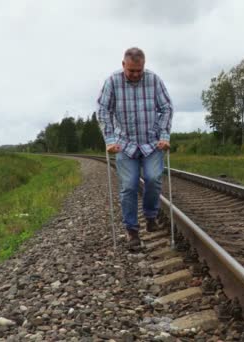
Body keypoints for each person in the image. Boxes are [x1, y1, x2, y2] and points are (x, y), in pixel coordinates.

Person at [97, 47, 173, 250]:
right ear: (124, 65)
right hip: (125, 144)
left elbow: (166, 107)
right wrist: (110, 139)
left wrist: (164, 135)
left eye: (139, 70)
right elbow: (103, 110)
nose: (136, 74)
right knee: (129, 186)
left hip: (151, 143)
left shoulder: (154, 80)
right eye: (131, 71)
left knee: (153, 178)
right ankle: (132, 231)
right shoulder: (112, 82)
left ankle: (150, 216)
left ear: (144, 65)